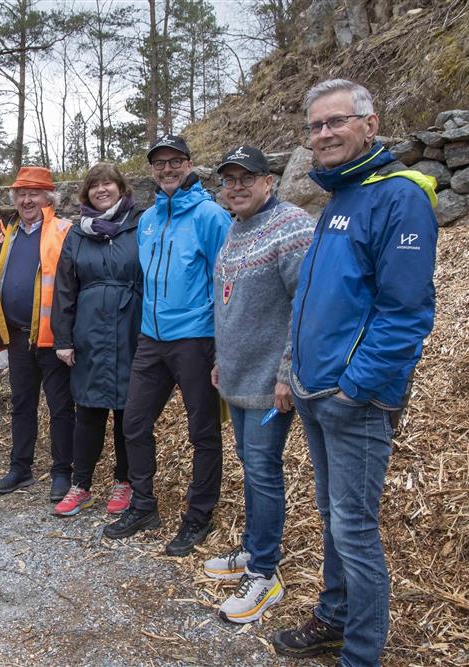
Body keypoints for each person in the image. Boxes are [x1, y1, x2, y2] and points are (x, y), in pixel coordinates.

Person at [272, 80, 438, 664]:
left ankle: (361, 653)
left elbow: (406, 312)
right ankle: (335, 616)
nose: (323, 135)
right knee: (334, 517)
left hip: (354, 399)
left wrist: (355, 386)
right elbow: (318, 300)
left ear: (370, 125)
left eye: (335, 122)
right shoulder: (343, 196)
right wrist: (295, 371)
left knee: (355, 528)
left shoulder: (398, 197)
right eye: (315, 126)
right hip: (319, 391)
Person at [102, 135, 231, 558]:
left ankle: (198, 515)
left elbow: (226, 281)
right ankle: (143, 506)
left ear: (190, 164)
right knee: (134, 423)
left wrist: (218, 338)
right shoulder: (150, 219)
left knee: (203, 431)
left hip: (194, 339)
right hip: (151, 338)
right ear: (152, 170)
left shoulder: (211, 216)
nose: (167, 169)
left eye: (175, 161)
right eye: (160, 164)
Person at [204, 145, 315, 624]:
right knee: (252, 467)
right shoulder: (236, 227)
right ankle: (254, 551)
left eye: (246, 177)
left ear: (269, 181)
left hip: (272, 383)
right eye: (229, 179)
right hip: (238, 376)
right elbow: (229, 304)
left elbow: (306, 305)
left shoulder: (291, 226)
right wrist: (219, 359)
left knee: (264, 471)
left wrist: (288, 371)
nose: (236, 186)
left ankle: (265, 573)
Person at [50, 163, 142, 516]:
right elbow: (64, 288)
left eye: (109, 184)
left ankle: (124, 481)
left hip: (129, 326)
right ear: (85, 193)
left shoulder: (138, 225)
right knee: (88, 410)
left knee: (125, 411)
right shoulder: (77, 234)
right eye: (95, 186)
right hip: (88, 331)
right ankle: (81, 484)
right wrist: (64, 338)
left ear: (121, 188)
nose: (102, 190)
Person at [0, 166, 76, 502]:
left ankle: (61, 472)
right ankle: (20, 467)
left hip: (52, 338)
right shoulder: (7, 235)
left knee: (60, 407)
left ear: (48, 197)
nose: (27, 199)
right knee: (22, 404)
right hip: (18, 336)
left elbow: (70, 287)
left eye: (34, 193)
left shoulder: (64, 231)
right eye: (21, 193)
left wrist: (68, 336)